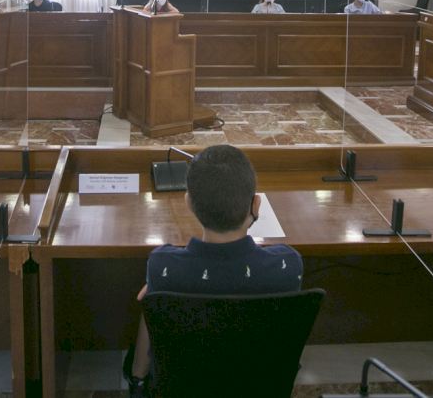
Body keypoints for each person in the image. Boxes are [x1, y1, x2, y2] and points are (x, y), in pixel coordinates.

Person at [125, 144, 303, 396]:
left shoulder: (162, 266)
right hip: (258, 387)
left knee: (149, 296)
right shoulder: (288, 265)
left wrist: (138, 378)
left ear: (188, 202)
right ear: (256, 204)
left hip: (184, 389)